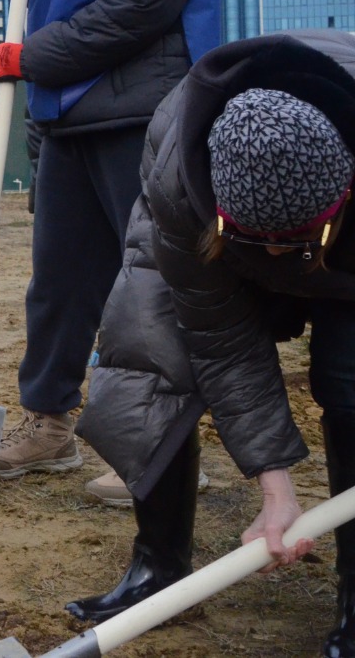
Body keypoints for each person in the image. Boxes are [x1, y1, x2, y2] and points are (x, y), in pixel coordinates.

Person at [69, 32, 355, 654]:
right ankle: (157, 567)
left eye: (295, 240)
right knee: (148, 351)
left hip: (345, 249)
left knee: (351, 381)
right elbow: (223, 342)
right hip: (204, 240)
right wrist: (276, 493)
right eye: (265, 241)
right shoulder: (180, 175)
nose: (283, 256)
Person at [0, 0, 222, 486]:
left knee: (150, 287)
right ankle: (49, 421)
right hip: (69, 118)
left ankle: (155, 445)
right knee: (58, 282)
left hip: (143, 115)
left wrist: (37, 58)